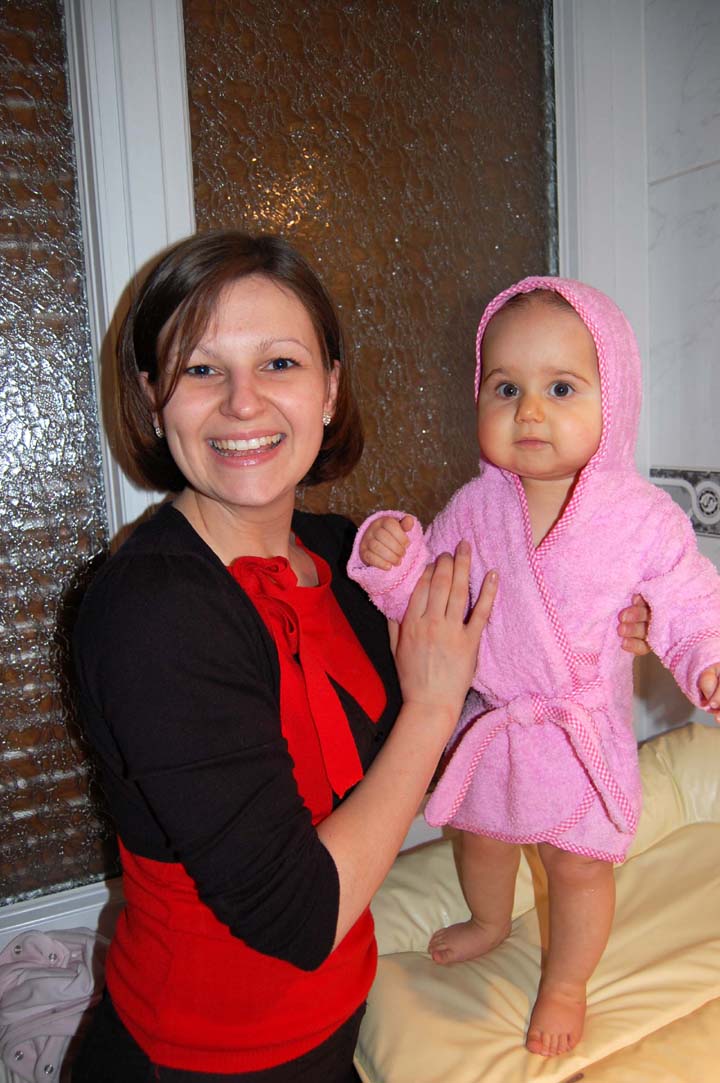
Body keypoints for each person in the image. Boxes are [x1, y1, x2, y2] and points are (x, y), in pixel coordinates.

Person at [70, 230, 500, 1083]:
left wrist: (600, 632)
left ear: (330, 388)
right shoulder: (155, 612)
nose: (243, 402)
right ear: (153, 397)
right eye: (201, 369)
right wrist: (430, 708)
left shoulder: (343, 554)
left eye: (279, 363)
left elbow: (466, 696)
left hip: (335, 1023)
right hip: (199, 1061)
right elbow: (298, 917)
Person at [348, 276, 720, 1059]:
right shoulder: (475, 508)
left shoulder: (641, 517)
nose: (529, 411)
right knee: (479, 840)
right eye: (506, 387)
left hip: (578, 737)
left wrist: (709, 657)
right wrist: (396, 561)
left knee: (576, 869)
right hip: (497, 725)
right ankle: (490, 920)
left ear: (614, 398)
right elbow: (430, 596)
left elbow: (689, 600)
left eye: (560, 387)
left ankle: (567, 980)